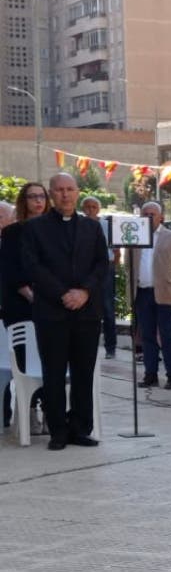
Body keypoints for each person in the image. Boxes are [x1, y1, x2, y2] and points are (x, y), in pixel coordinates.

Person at [21, 173, 108, 450]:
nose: (65, 195)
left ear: (78, 192)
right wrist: (62, 294)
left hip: (87, 312)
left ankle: (80, 428)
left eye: (70, 189)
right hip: (52, 312)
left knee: (83, 372)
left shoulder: (92, 228)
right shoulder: (35, 228)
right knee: (54, 373)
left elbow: (101, 265)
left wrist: (84, 292)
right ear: (51, 194)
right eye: (59, 190)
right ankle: (58, 430)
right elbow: (34, 267)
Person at [1, 183, 50, 430]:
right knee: (25, 359)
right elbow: (11, 271)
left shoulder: (56, 230)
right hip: (20, 306)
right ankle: (28, 411)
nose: (38, 201)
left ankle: (49, 409)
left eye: (42, 196)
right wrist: (31, 296)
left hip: (51, 305)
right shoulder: (12, 233)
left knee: (50, 358)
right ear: (24, 201)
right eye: (32, 197)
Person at [131, 201, 171, 390]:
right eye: (144, 214)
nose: (147, 217)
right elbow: (128, 266)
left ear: (160, 216)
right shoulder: (134, 237)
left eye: (152, 214)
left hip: (165, 293)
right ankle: (150, 374)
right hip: (143, 293)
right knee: (146, 335)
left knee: (167, 335)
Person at [81, 196, 119, 360]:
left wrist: (112, 267)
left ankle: (111, 347)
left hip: (105, 269)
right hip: (85, 270)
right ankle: (87, 346)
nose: (90, 209)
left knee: (107, 308)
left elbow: (116, 251)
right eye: (87, 207)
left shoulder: (107, 226)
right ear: (83, 209)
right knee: (86, 308)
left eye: (94, 206)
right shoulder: (79, 225)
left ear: (99, 208)